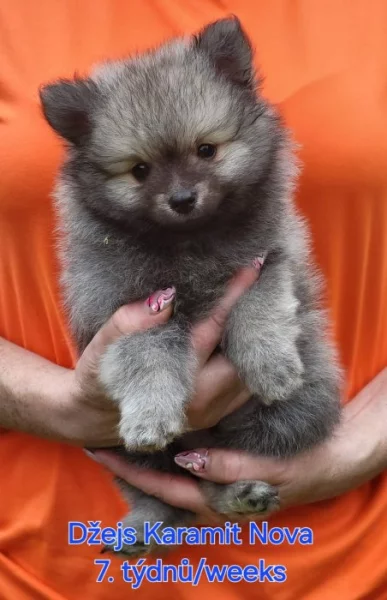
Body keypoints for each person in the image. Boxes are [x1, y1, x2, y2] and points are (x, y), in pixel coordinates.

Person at [0, 1, 386, 598]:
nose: (180, 190)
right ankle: (157, 511)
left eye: (207, 151)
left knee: (293, 395)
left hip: (354, 560)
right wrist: (52, 404)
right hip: (48, 568)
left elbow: (270, 272)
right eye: (139, 169)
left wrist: (365, 445)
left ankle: (226, 488)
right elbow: (125, 329)